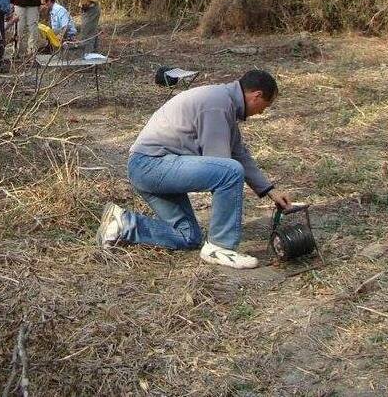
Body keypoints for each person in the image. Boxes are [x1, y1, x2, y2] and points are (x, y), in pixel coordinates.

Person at [96, 70, 292, 270]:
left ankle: (123, 224)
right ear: (256, 95)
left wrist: (269, 190)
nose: (262, 113)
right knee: (231, 171)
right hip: (151, 165)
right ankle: (220, 247)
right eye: (265, 107)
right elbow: (223, 166)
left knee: (188, 236)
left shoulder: (225, 103)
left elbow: (238, 153)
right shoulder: (218, 104)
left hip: (152, 168)